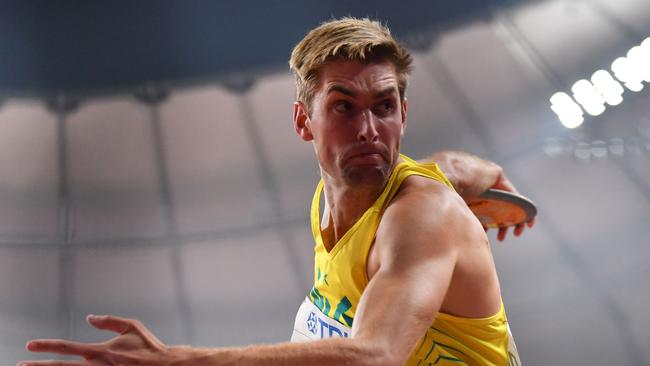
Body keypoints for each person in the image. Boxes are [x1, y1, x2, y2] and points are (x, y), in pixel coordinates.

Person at [20, 17, 534, 366]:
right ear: (303, 121)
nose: (368, 129)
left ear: (404, 113)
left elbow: (376, 354)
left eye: (384, 106)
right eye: (343, 107)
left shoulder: (422, 213)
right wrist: (476, 167)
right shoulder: (332, 201)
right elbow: (443, 166)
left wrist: (181, 359)